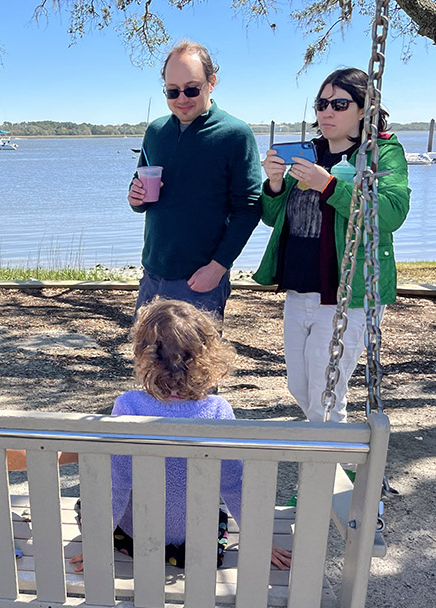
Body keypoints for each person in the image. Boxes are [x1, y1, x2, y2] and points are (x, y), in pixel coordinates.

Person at [71, 298, 292, 571]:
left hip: (135, 539)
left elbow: (117, 485)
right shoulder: (218, 410)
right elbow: (234, 485)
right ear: (208, 357)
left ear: (144, 355)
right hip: (197, 542)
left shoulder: (129, 406)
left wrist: (97, 544)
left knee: (87, 501)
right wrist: (260, 540)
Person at [253, 68, 411, 422]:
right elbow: (275, 217)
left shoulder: (381, 153)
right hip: (299, 289)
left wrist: (329, 186)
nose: (327, 112)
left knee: (325, 395)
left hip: (345, 293)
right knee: (299, 386)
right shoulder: (310, 153)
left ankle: (327, 456)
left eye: (339, 104)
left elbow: (390, 214)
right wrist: (275, 183)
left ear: (363, 109)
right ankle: (333, 451)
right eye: (321, 104)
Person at [128, 40, 263, 318]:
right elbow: (139, 191)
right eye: (172, 91)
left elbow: (249, 208)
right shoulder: (155, 131)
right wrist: (136, 197)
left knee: (197, 350)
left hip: (200, 280)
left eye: (191, 89)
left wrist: (217, 268)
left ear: (211, 83)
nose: (182, 98)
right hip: (153, 274)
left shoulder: (235, 134)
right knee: (146, 348)